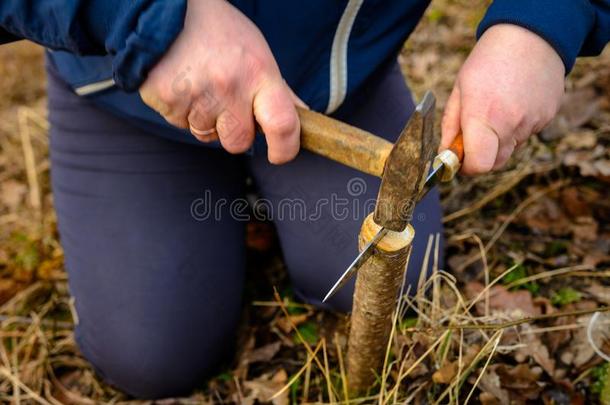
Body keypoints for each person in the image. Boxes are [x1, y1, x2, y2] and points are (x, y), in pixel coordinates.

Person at [1, 0, 608, 399]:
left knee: (403, 276)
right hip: (128, 82)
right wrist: (146, 17)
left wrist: (539, 25)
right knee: (150, 357)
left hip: (333, 86)